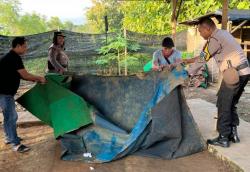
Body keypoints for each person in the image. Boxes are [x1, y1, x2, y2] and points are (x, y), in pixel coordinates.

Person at [183, 17, 250, 148]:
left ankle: (224, 137)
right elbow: (203, 56)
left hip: (233, 74)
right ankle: (233, 133)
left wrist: (188, 73)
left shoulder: (214, 39)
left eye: (200, 30)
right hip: (244, 72)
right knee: (231, 103)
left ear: (208, 29)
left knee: (223, 103)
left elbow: (203, 59)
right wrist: (187, 61)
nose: (200, 34)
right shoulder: (222, 34)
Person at [0, 37, 46, 153]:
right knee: (11, 117)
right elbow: (25, 75)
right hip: (4, 92)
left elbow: (20, 75)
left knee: (8, 116)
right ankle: (16, 144)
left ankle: (9, 137)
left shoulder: (11, 56)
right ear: (18, 46)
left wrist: (35, 80)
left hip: (4, 91)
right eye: (25, 46)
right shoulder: (14, 57)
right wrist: (39, 78)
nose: (26, 49)